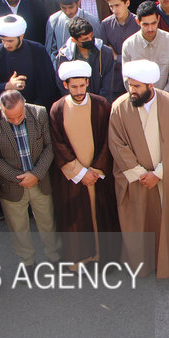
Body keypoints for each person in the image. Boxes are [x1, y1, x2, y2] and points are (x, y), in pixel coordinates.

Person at [107, 59, 169, 278]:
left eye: (137, 87)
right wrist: (141, 174)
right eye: (130, 85)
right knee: (139, 219)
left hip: (165, 176)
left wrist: (159, 173)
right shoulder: (119, 107)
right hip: (137, 178)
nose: (132, 91)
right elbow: (117, 144)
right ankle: (142, 263)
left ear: (150, 86)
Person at [49, 60, 120, 266]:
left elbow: (109, 139)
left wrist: (96, 170)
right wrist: (80, 173)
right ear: (65, 86)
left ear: (88, 83)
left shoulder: (101, 104)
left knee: (103, 216)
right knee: (76, 218)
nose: (78, 91)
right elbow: (58, 144)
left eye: (82, 85)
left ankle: (105, 259)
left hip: (98, 175)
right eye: (74, 87)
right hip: (73, 178)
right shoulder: (57, 109)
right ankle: (80, 258)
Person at [0, 88, 60, 269]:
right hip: (12, 185)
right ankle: (28, 262)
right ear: (1, 110)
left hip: (40, 181)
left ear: (24, 105)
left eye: (19, 116)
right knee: (19, 229)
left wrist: (36, 174)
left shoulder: (39, 113)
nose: (16, 121)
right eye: (10, 118)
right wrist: (19, 178)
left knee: (48, 222)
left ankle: (54, 256)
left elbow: (49, 147)